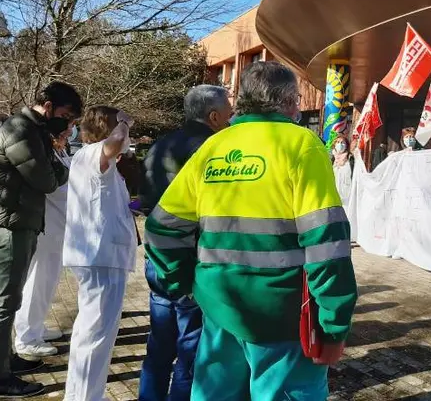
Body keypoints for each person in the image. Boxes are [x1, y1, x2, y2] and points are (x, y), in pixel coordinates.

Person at [144, 61, 358, 400]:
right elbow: (326, 242)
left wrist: (185, 283)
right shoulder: (301, 144)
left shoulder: (214, 146)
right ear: (289, 100)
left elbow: (161, 227)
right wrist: (334, 322)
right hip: (281, 319)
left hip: (219, 310)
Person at [0, 82, 79, 398]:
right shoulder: (21, 131)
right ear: (47, 106)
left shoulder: (34, 131)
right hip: (9, 223)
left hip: (18, 219)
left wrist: (54, 157)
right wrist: (61, 166)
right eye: (65, 115)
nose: (67, 124)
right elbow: (47, 180)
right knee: (6, 300)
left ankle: (6, 362)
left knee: (11, 298)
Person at [138, 85, 232, 401]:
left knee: (160, 343)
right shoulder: (215, 150)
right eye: (230, 113)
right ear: (214, 116)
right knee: (191, 347)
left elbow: (147, 201)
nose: (232, 120)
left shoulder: (159, 145)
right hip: (192, 260)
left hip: (158, 257)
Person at [62, 106, 137, 401]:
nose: (128, 136)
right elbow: (115, 144)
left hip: (101, 255)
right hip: (100, 256)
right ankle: (83, 397)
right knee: (94, 335)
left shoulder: (100, 162)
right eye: (122, 129)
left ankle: (87, 394)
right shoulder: (94, 153)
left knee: (95, 333)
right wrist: (124, 122)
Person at [13, 118, 73, 358]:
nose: (70, 133)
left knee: (46, 282)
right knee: (38, 281)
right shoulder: (46, 157)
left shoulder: (57, 153)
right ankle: (27, 337)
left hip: (57, 229)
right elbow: (59, 189)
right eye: (67, 130)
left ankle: (35, 326)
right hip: (47, 228)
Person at [331, 134, 354, 209]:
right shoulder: (332, 159)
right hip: (334, 196)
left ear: (346, 145)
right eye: (337, 142)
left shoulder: (350, 159)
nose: (340, 144)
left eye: (342, 142)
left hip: (347, 197)